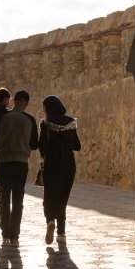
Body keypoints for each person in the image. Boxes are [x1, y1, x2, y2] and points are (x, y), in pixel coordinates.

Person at [0, 90, 39, 247]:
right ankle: (15, 235)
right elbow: (34, 145)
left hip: (2, 161)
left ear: (13, 101)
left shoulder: (2, 117)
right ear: (26, 102)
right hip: (20, 162)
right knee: (18, 199)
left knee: (4, 197)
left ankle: (5, 232)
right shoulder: (30, 120)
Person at [38, 95, 81, 244]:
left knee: (50, 195)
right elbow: (77, 146)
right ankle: (61, 233)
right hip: (68, 165)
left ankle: (50, 220)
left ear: (48, 108)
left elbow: (42, 147)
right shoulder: (71, 122)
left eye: (44, 106)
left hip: (51, 164)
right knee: (62, 197)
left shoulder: (45, 123)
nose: (43, 109)